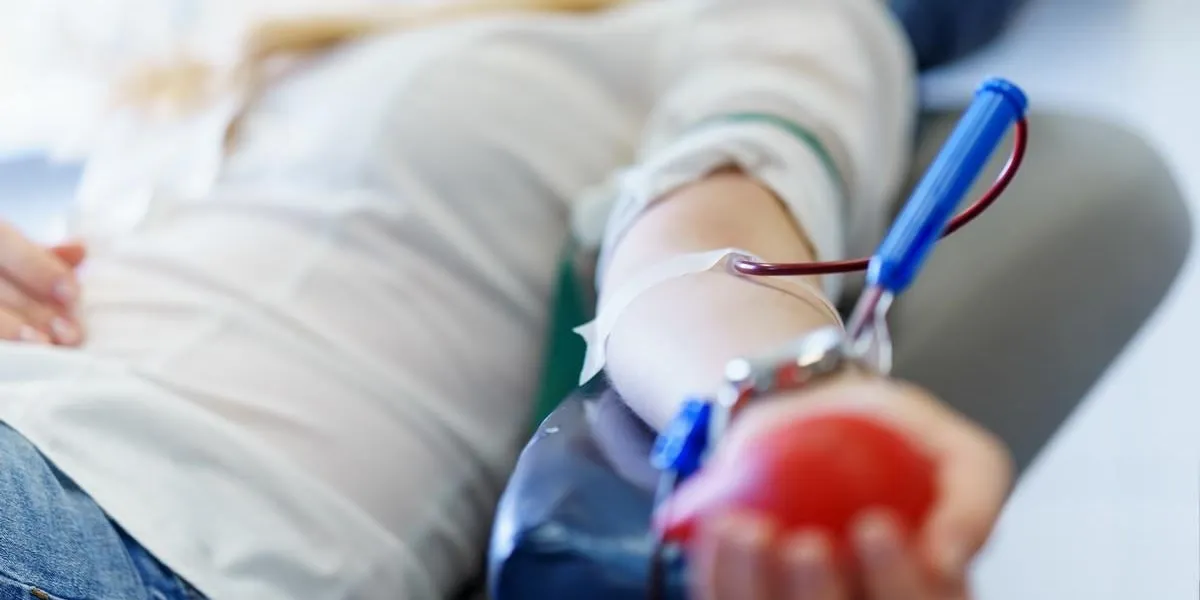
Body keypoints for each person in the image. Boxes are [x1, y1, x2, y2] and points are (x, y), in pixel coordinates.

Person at [0, 0, 1012, 598]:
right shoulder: (269, 42)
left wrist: (786, 399)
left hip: (133, 506)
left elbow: (703, 241)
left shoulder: (754, 19)